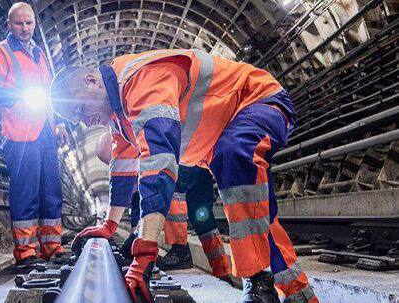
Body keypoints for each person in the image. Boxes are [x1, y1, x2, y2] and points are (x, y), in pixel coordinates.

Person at [50, 49, 318, 303]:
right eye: (76, 120)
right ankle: (299, 292)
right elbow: (122, 172)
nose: (84, 122)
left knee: (235, 157)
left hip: (258, 99)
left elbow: (158, 166)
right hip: (225, 132)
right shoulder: (119, 116)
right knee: (256, 215)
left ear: (91, 81)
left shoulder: (141, 81)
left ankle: (258, 281)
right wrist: (109, 226)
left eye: (80, 111)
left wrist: (144, 253)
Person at [0, 2, 68, 268]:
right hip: (20, 136)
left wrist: (60, 125)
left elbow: (52, 93)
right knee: (26, 194)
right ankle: (26, 252)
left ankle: (53, 247)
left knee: (51, 191)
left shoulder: (40, 54)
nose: (25, 28)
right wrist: (19, 96)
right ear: (9, 24)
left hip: (44, 132)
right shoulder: (0, 53)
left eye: (29, 23)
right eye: (19, 23)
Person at [94, 132, 230, 278]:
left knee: (171, 192)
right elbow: (139, 199)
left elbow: (150, 195)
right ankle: (222, 270)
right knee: (202, 217)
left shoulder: (138, 143)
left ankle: (180, 250)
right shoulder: (139, 136)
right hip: (198, 159)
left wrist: (137, 235)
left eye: (111, 159)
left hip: (183, 162)